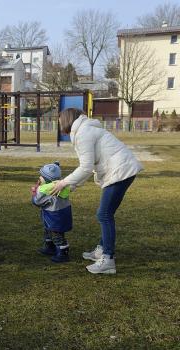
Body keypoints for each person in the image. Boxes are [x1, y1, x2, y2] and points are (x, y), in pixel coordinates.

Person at [50, 108, 143, 274]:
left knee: (104, 215)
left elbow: (85, 167)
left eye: (59, 121)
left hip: (120, 171)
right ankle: (102, 250)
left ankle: (107, 260)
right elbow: (90, 166)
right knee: (106, 214)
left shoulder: (83, 133)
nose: (59, 124)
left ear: (66, 120)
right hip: (124, 169)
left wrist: (63, 183)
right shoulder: (86, 129)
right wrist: (72, 186)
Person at [31, 162, 73, 263]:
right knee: (50, 231)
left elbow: (37, 201)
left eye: (41, 176)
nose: (40, 177)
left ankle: (63, 253)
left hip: (53, 216)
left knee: (56, 234)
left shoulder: (46, 189)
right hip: (62, 213)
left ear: (47, 179)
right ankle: (50, 247)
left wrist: (35, 192)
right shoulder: (60, 186)